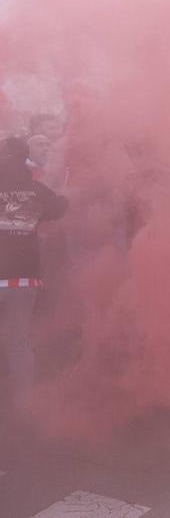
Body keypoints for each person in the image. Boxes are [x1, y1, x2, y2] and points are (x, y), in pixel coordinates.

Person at [0, 137, 69, 416]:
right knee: (18, 342)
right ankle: (22, 405)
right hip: (24, 278)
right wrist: (62, 191)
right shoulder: (36, 190)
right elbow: (60, 207)